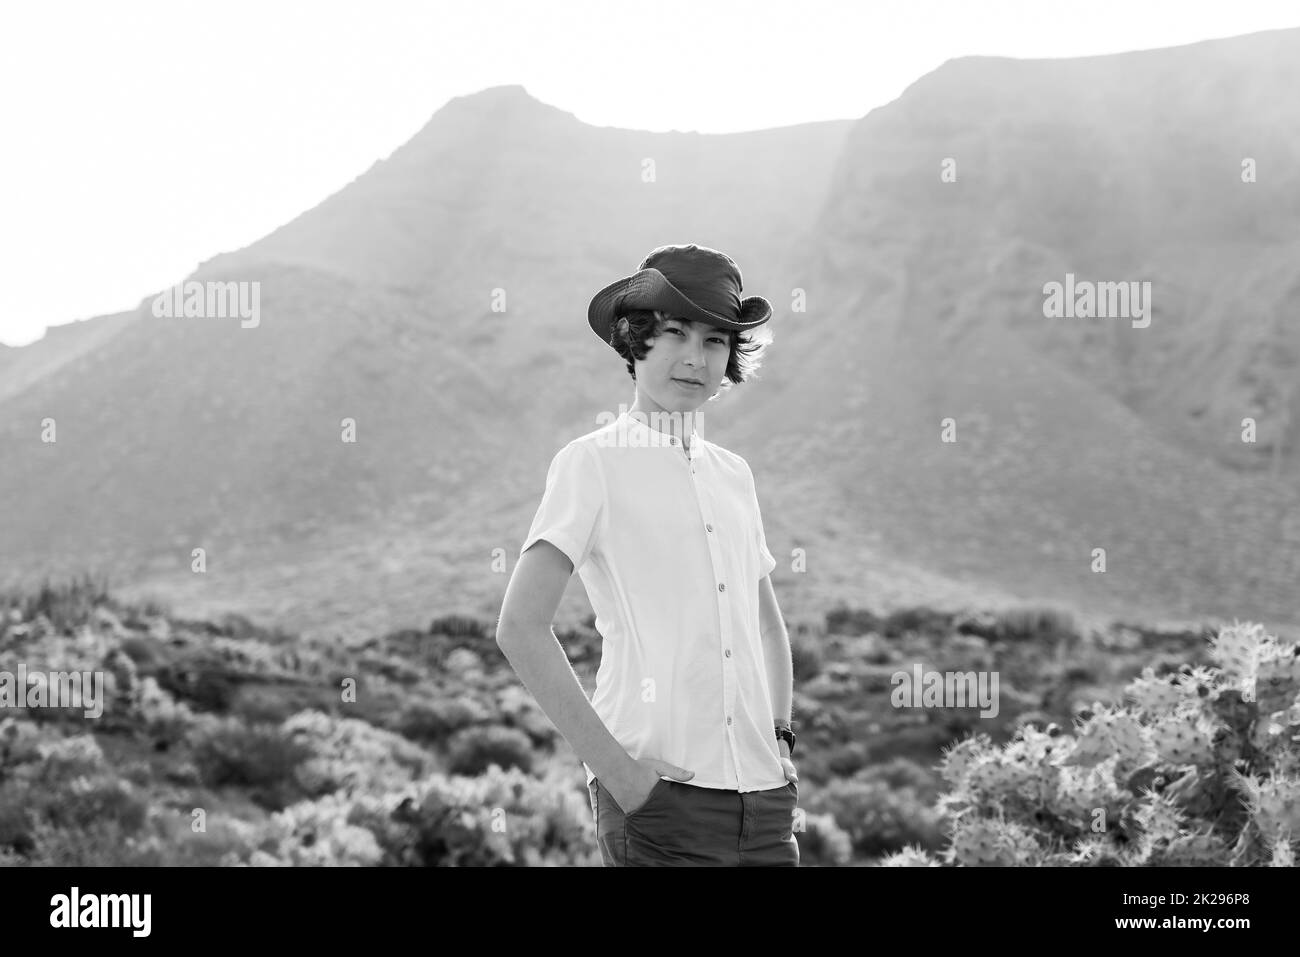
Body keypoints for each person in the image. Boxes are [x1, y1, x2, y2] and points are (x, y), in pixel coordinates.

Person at [496, 243, 799, 866]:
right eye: (674, 334)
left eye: (715, 341)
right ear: (636, 341)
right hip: (662, 803)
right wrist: (624, 779)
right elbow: (520, 628)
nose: (695, 358)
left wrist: (781, 738)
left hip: (765, 803)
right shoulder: (592, 463)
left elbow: (766, 623)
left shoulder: (734, 475)